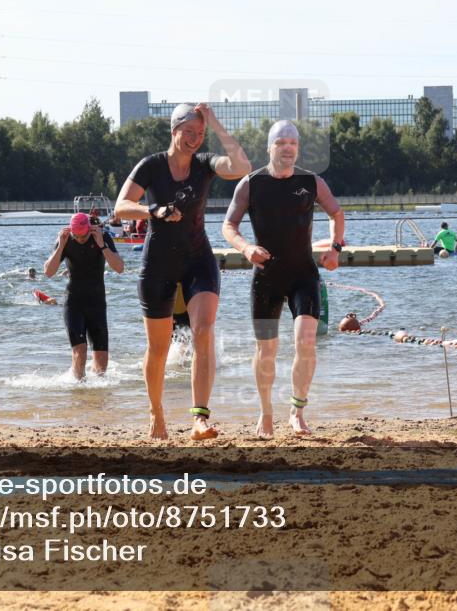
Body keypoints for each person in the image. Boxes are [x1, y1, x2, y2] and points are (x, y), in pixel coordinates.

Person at [115, 102, 252, 440]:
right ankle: (156, 413)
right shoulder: (151, 166)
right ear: (174, 130)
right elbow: (121, 207)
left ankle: (200, 418)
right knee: (158, 348)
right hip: (158, 263)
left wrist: (216, 124)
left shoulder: (204, 165)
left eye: (200, 134)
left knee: (203, 330)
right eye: (189, 132)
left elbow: (242, 165)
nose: (194, 139)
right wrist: (154, 210)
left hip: (197, 259)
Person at [222, 119, 345, 438]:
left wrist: (335, 249)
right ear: (269, 148)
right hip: (266, 278)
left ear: (298, 148)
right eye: (281, 143)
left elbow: (337, 213)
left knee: (306, 341)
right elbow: (228, 226)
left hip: (304, 275)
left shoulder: (312, 181)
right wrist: (246, 248)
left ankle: (297, 411)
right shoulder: (251, 183)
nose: (288, 148)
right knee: (266, 350)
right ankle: (265, 415)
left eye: (293, 143)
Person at [44, 212, 124, 380]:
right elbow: (48, 272)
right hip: (74, 304)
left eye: (84, 236)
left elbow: (119, 267)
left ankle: (94, 399)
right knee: (80, 351)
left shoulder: (102, 237)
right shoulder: (65, 240)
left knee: (102, 364)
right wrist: (60, 246)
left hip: (97, 305)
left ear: (90, 229)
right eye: (77, 236)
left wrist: (102, 246)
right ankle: (79, 391)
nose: (80, 239)